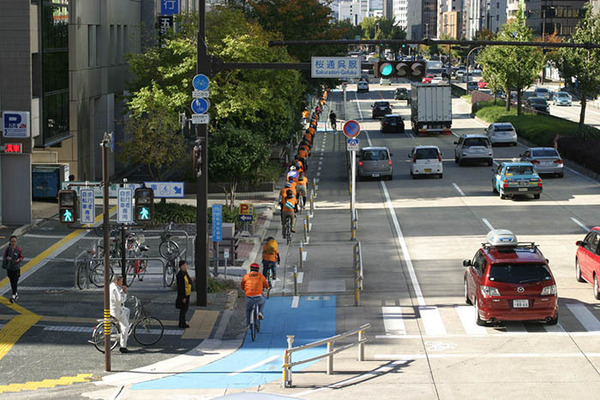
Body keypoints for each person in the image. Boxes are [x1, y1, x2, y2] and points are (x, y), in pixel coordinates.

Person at [110, 275, 130, 353]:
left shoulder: (111, 286)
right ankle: (123, 346)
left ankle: (121, 324)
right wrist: (125, 293)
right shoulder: (115, 289)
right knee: (126, 327)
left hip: (112, 309)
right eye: (121, 281)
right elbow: (121, 300)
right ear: (116, 281)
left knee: (127, 310)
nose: (122, 283)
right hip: (117, 311)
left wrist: (121, 289)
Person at [3, 235, 23, 303]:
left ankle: (13, 295)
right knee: (12, 281)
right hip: (10, 268)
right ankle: (15, 294)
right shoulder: (7, 249)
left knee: (15, 281)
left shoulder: (18, 249)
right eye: (12, 241)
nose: (13, 242)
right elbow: (4, 257)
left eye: (14, 241)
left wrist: (18, 259)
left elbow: (22, 257)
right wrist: (7, 258)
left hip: (16, 268)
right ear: (10, 242)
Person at [175, 260, 192, 328]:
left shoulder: (185, 273)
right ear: (181, 266)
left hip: (187, 293)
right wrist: (183, 297)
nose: (186, 267)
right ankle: (182, 323)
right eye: (184, 265)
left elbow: (189, 281)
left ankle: (183, 322)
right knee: (183, 309)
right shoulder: (180, 275)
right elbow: (181, 287)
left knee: (185, 309)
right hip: (183, 294)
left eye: (186, 265)